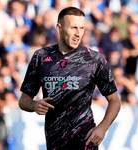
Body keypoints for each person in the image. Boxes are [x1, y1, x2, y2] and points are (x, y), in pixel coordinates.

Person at [18, 7, 121, 150]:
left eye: (82, 28)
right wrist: (34, 105)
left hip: (85, 142)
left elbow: (115, 100)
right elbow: (23, 100)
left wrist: (103, 127)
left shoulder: (94, 59)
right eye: (73, 28)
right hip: (55, 143)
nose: (78, 33)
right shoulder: (41, 57)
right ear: (59, 28)